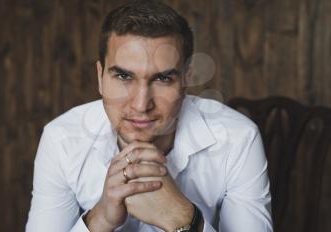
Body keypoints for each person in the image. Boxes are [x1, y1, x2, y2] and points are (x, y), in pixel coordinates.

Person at [26, 0, 273, 231]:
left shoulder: (238, 138)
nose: (142, 104)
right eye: (123, 76)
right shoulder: (61, 139)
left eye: (163, 78)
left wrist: (182, 217)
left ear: (187, 78)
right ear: (100, 77)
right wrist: (99, 219)